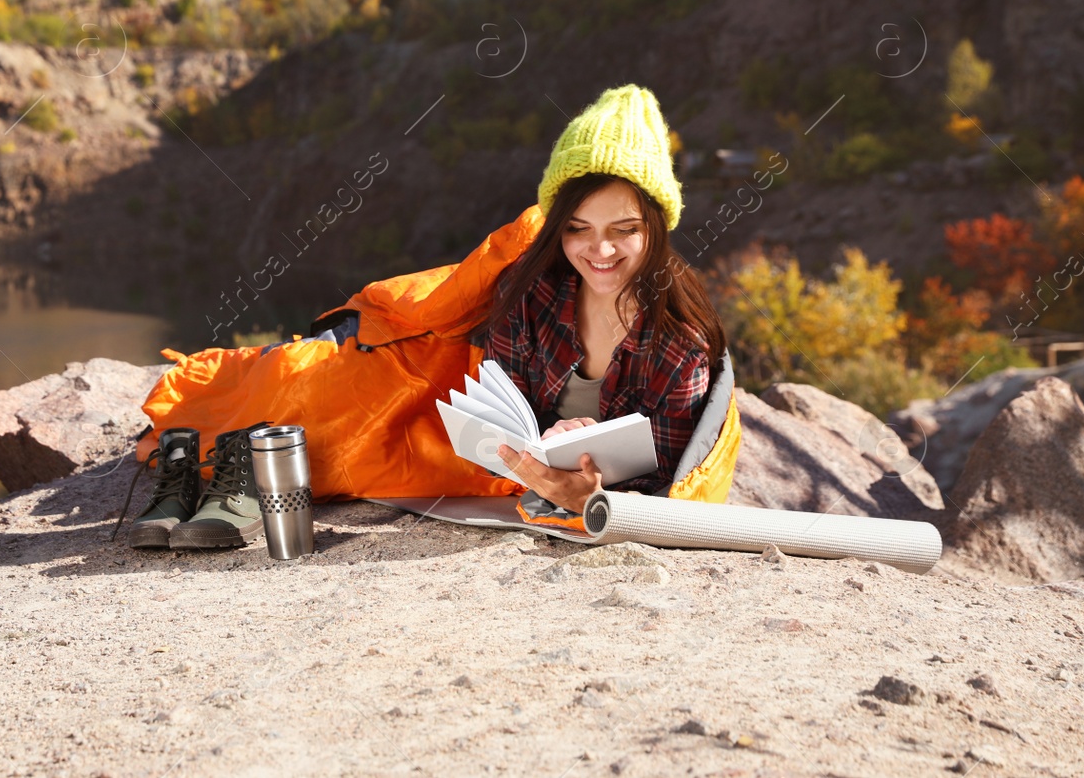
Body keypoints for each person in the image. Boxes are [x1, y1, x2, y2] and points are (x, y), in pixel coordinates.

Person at [127, 84, 740, 548]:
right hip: (499, 475)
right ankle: (213, 454)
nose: (598, 252)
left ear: (656, 227)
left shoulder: (678, 342)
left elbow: (673, 476)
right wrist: (525, 455)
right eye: (577, 229)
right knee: (311, 398)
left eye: (623, 231)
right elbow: (497, 405)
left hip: (579, 493)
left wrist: (590, 482)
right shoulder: (535, 296)